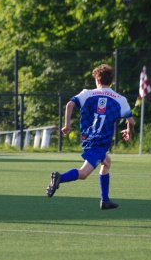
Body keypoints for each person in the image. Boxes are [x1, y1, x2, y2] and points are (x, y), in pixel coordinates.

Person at [46, 64, 135, 210]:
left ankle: (105, 201)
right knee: (84, 173)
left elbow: (69, 105)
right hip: (100, 143)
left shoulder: (87, 93)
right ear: (110, 81)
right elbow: (130, 121)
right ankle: (60, 177)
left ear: (97, 80)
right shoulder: (120, 99)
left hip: (88, 139)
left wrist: (67, 125)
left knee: (106, 162)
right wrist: (128, 130)